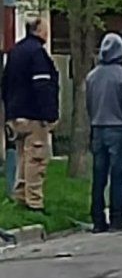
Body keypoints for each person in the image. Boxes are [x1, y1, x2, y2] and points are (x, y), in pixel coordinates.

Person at [2, 17, 59, 212]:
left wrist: (10, 111)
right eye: (45, 29)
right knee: (36, 158)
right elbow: (42, 86)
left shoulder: (15, 52)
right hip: (34, 115)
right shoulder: (37, 54)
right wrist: (50, 114)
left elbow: (5, 84)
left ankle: (20, 197)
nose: (47, 33)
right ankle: (34, 202)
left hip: (16, 115)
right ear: (38, 30)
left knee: (22, 158)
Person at [86, 33, 122, 233]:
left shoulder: (92, 76)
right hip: (117, 128)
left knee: (98, 176)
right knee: (117, 175)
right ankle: (117, 218)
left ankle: (98, 219)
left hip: (98, 127)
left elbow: (89, 104)